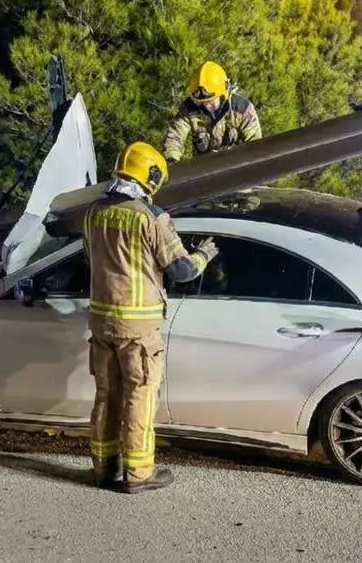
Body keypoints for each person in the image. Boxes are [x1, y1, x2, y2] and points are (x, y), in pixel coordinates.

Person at [82, 141, 220, 492]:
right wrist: (205, 253)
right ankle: (139, 474)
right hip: (138, 327)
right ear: (151, 177)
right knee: (140, 396)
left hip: (100, 321)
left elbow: (92, 259)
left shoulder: (93, 213)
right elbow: (183, 270)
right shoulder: (150, 216)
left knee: (106, 395)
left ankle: (104, 468)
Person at [163, 61, 262, 163]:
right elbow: (175, 136)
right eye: (202, 102)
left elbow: (255, 145)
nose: (207, 105)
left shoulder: (242, 109)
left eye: (211, 101)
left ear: (223, 93)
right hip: (204, 169)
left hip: (237, 166)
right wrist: (171, 160)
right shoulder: (189, 109)